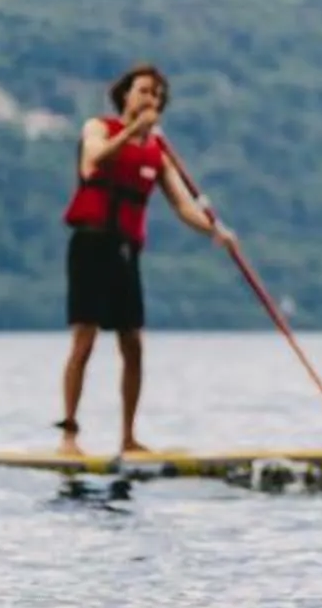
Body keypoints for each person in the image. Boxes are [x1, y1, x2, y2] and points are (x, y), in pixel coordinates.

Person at [55, 63, 220, 455]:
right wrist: (132, 130)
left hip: (126, 253)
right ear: (126, 95)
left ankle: (128, 437)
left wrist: (216, 232)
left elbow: (183, 205)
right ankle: (69, 436)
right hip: (91, 245)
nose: (152, 100)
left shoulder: (157, 155)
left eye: (158, 96)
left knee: (133, 344)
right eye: (145, 91)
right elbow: (92, 162)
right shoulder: (98, 128)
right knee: (85, 339)